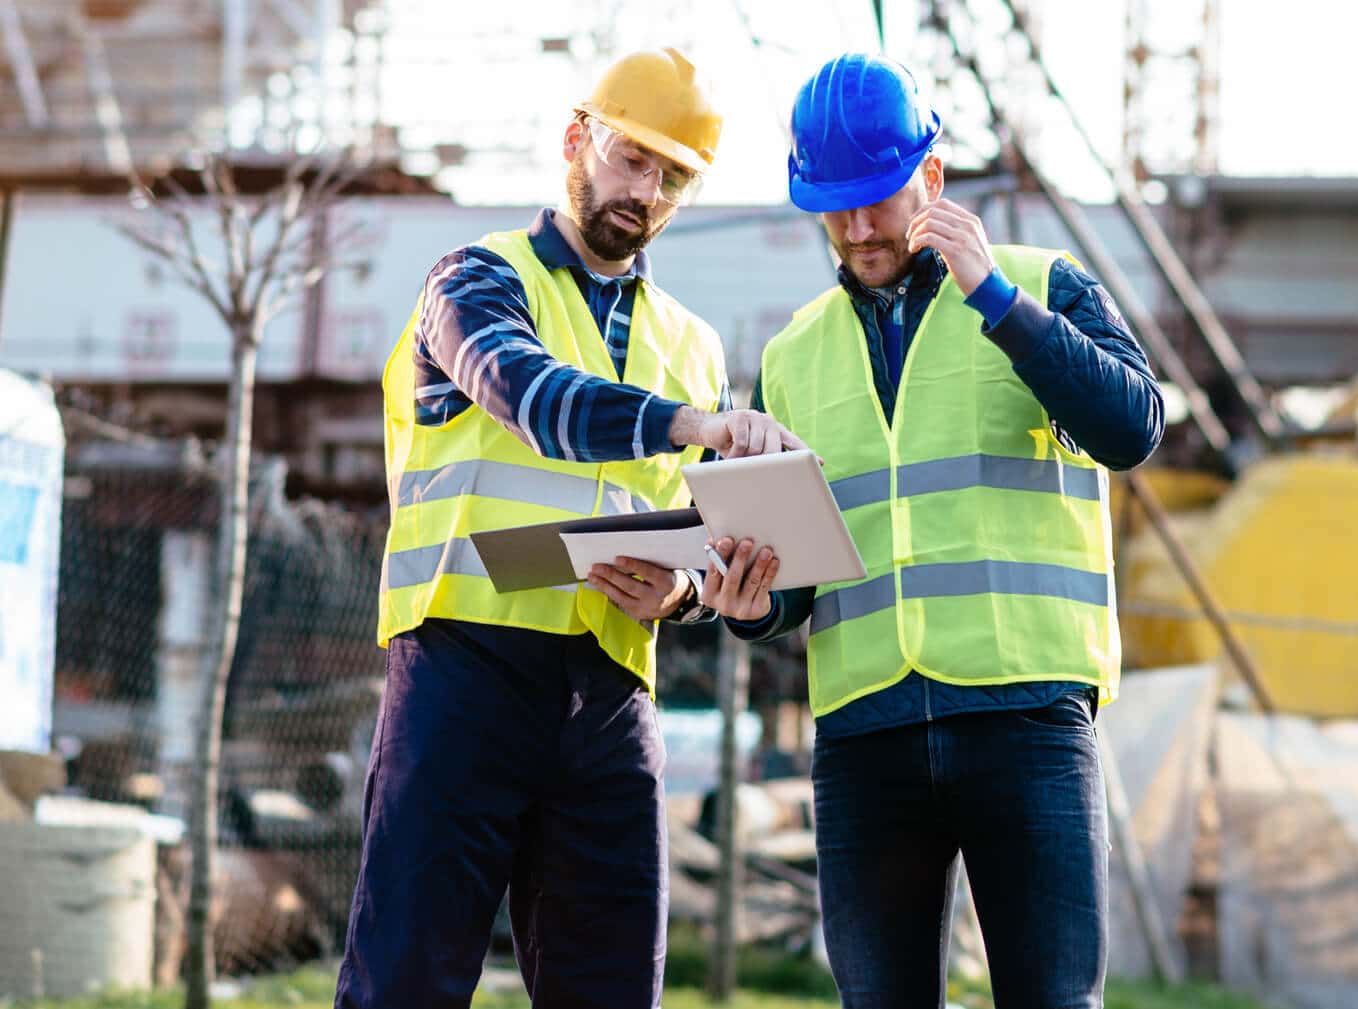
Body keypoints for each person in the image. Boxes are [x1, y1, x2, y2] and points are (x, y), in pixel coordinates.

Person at [334, 47, 804, 1009]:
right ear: (575, 141)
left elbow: (702, 531)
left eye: (674, 177)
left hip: (612, 698)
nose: (648, 190)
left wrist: (685, 595)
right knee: (406, 980)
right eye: (634, 158)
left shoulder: (693, 343)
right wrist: (692, 423)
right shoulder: (471, 280)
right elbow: (529, 395)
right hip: (461, 669)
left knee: (613, 989)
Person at [700, 53, 1165, 1009]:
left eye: (879, 197)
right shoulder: (792, 356)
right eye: (836, 206)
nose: (860, 228)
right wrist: (750, 605)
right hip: (866, 733)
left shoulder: (1040, 284)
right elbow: (796, 572)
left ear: (934, 179)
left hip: (1026, 716)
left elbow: (1133, 428)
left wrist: (997, 300)